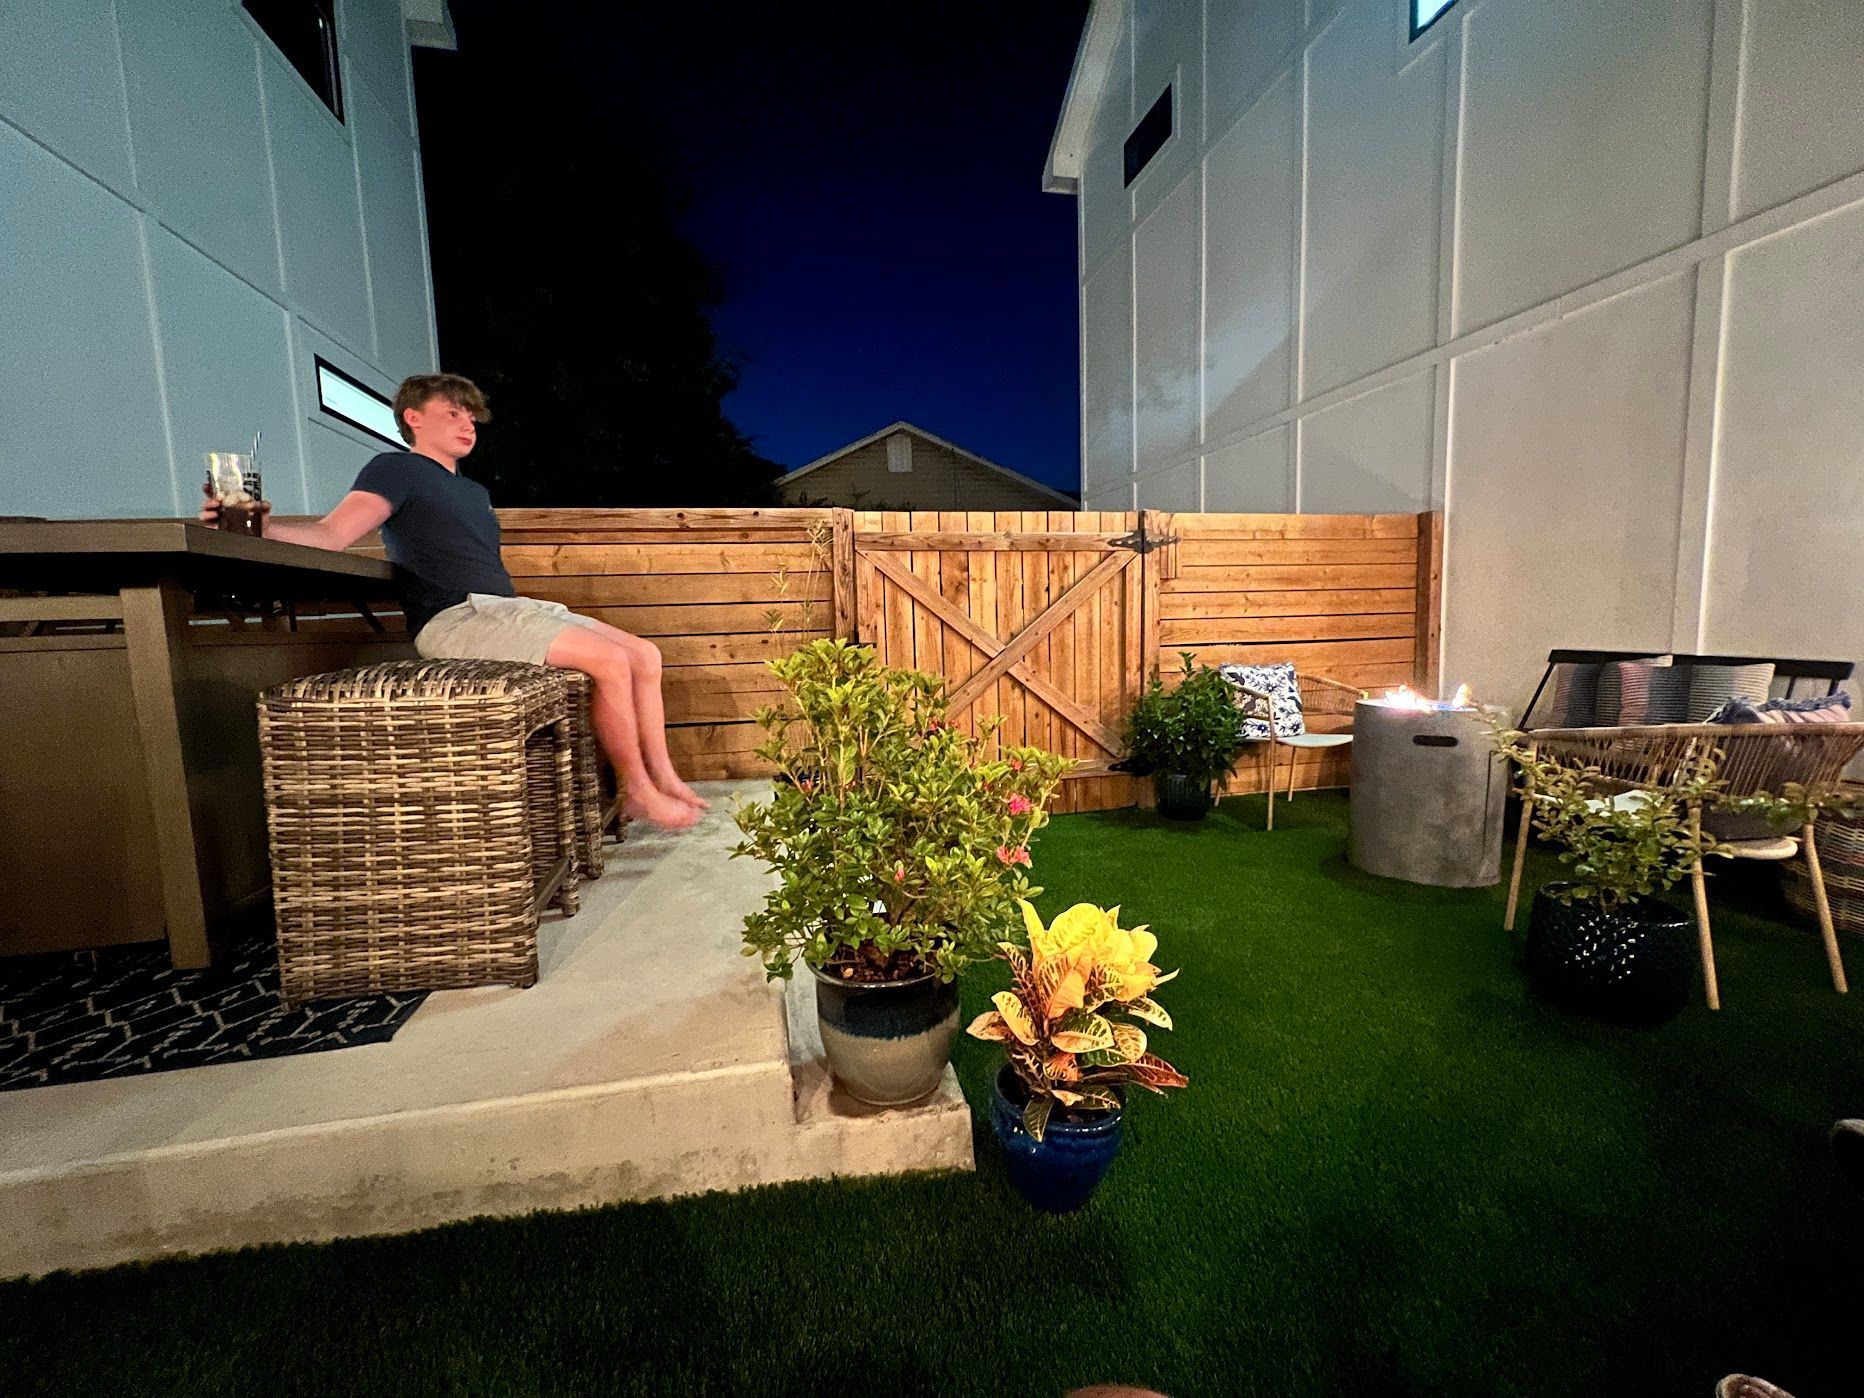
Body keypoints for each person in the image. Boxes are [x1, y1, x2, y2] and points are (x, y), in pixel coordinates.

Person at [200, 372, 705, 830]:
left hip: (507, 609)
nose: (467, 425)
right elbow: (335, 533)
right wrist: (263, 527)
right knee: (611, 661)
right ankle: (636, 789)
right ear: (413, 418)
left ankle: (664, 776)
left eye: (471, 416)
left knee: (645, 655)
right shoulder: (395, 469)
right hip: (456, 615)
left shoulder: (473, 491)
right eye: (452, 413)